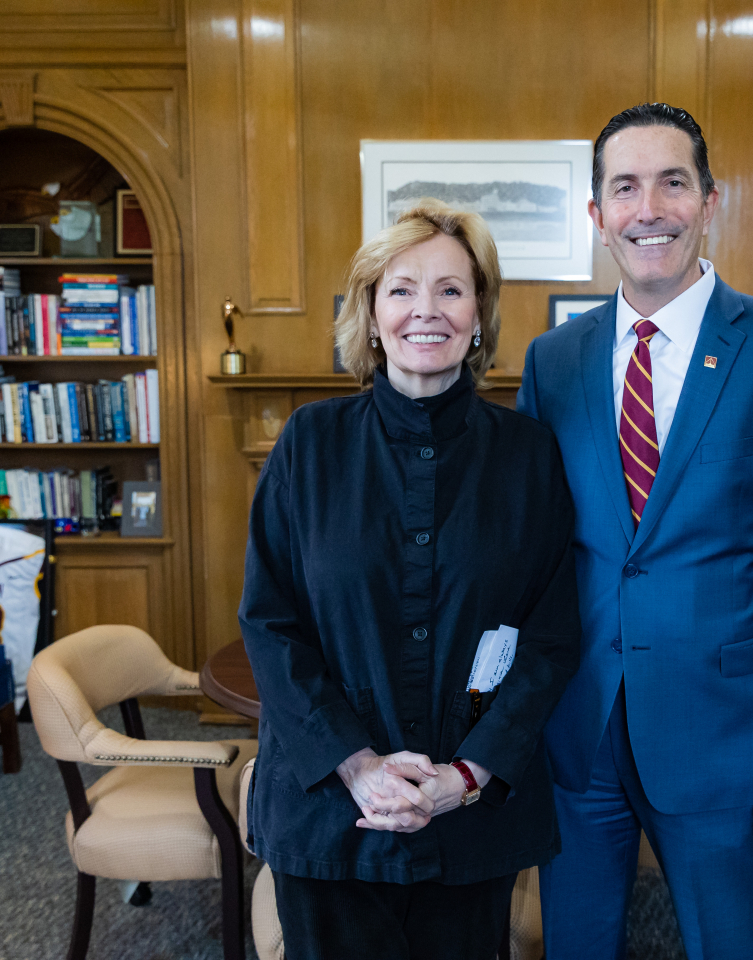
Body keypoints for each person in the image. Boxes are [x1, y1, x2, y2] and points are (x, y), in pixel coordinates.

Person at [517, 103, 753, 959]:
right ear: (598, 214)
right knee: (575, 945)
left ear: (709, 201)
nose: (650, 209)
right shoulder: (552, 361)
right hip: (577, 729)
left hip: (726, 735)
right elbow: (528, 552)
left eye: (672, 183)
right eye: (625, 188)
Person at [239, 199, 581, 960]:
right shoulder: (309, 443)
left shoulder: (528, 455)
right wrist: (359, 767)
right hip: (330, 812)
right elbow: (269, 621)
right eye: (401, 289)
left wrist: (466, 775)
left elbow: (551, 638)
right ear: (371, 313)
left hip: (470, 815)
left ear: (479, 314)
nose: (426, 310)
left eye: (451, 290)